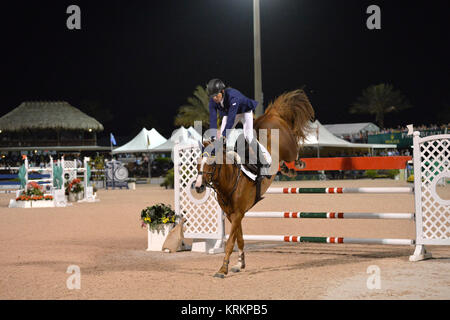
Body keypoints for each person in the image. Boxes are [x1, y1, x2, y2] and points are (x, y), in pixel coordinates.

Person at [206, 78, 271, 169]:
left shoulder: (233, 97)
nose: (214, 98)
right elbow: (212, 118)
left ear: (222, 91)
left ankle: (264, 160)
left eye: (216, 95)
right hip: (231, 113)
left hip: (245, 111)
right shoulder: (213, 101)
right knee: (219, 136)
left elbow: (231, 120)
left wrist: (224, 135)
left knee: (248, 136)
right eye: (212, 96)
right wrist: (213, 136)